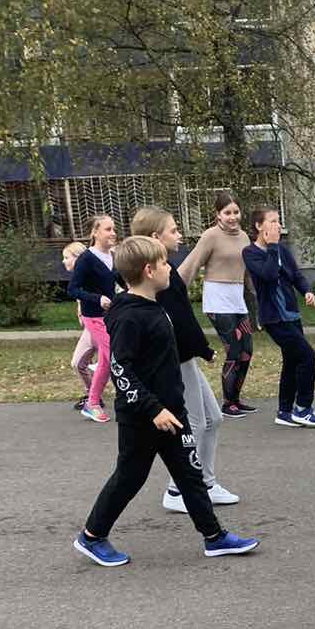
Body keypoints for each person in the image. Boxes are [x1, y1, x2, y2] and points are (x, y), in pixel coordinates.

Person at [73, 235, 258, 567]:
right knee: (130, 477)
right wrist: (153, 409)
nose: (168, 268)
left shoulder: (154, 305)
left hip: (172, 411)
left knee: (190, 473)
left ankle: (214, 537)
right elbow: (121, 369)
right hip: (143, 416)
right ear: (148, 271)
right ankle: (92, 536)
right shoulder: (129, 316)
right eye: (162, 264)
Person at [129, 205, 239, 513]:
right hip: (175, 362)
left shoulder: (167, 270)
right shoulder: (154, 277)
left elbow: (184, 317)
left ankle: (206, 482)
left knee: (213, 419)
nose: (179, 235)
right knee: (197, 423)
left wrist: (201, 348)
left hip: (186, 357)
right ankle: (177, 489)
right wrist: (201, 348)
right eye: (174, 230)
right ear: (155, 237)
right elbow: (173, 322)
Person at [242, 208, 315, 427]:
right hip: (274, 319)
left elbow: (296, 275)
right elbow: (269, 274)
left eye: (279, 221)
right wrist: (272, 246)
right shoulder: (250, 253)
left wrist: (306, 291)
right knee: (308, 357)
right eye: (273, 221)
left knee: (292, 361)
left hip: (291, 315)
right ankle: (303, 409)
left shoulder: (282, 249)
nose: (278, 225)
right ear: (259, 226)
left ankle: (284, 412)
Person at [178, 192, 258, 416]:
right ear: (218, 215)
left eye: (235, 212)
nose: (232, 217)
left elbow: (247, 271)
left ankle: (236, 399)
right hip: (217, 300)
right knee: (234, 350)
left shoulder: (244, 237)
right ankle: (227, 403)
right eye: (227, 213)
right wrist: (175, 288)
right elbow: (193, 263)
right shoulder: (211, 236)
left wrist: (257, 292)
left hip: (237, 299)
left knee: (247, 351)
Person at [67, 214, 121, 422]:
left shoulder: (113, 256)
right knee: (109, 356)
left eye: (113, 229)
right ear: (95, 233)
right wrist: (97, 299)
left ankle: (124, 396)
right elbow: (73, 289)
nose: (113, 233)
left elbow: (121, 281)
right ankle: (92, 403)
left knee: (112, 356)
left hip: (111, 316)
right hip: (94, 316)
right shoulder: (86, 259)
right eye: (108, 229)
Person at [61, 241, 100, 411]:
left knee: (112, 364)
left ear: (78, 259)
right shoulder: (78, 280)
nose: (64, 261)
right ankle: (92, 396)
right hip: (89, 328)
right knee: (78, 363)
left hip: (100, 325)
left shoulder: (92, 278)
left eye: (67, 257)